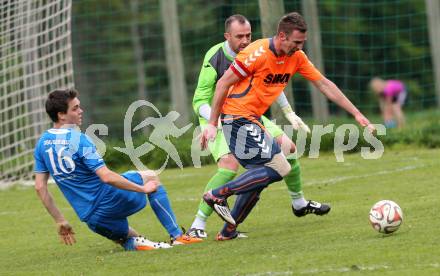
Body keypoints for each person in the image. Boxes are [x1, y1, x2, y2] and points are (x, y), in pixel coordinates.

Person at [200, 12, 375, 240]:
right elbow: (223, 84)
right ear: (282, 36)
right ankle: (216, 195)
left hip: (251, 119)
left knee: (261, 176)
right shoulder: (257, 53)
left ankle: (228, 230)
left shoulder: (296, 57)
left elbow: (324, 84)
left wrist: (357, 114)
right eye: (296, 42)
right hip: (236, 118)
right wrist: (212, 123)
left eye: (302, 42)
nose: (300, 47)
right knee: (280, 168)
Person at [188, 14, 330, 240]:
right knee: (229, 165)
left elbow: (274, 79)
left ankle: (299, 203)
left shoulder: (259, 50)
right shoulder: (215, 56)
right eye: (239, 36)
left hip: (250, 113)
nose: (245, 41)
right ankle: (198, 224)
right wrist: (213, 123)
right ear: (227, 36)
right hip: (216, 115)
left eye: (248, 35)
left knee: (288, 149)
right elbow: (199, 99)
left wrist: (288, 111)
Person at [34, 89, 202, 251]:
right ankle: (178, 236)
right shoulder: (79, 139)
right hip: (110, 199)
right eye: (75, 108)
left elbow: (40, 187)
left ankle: (138, 243)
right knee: (151, 177)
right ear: (61, 115)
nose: (81, 111)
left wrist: (60, 221)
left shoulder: (42, 143)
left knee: (129, 238)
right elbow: (106, 177)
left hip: (92, 219)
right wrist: (142, 189)